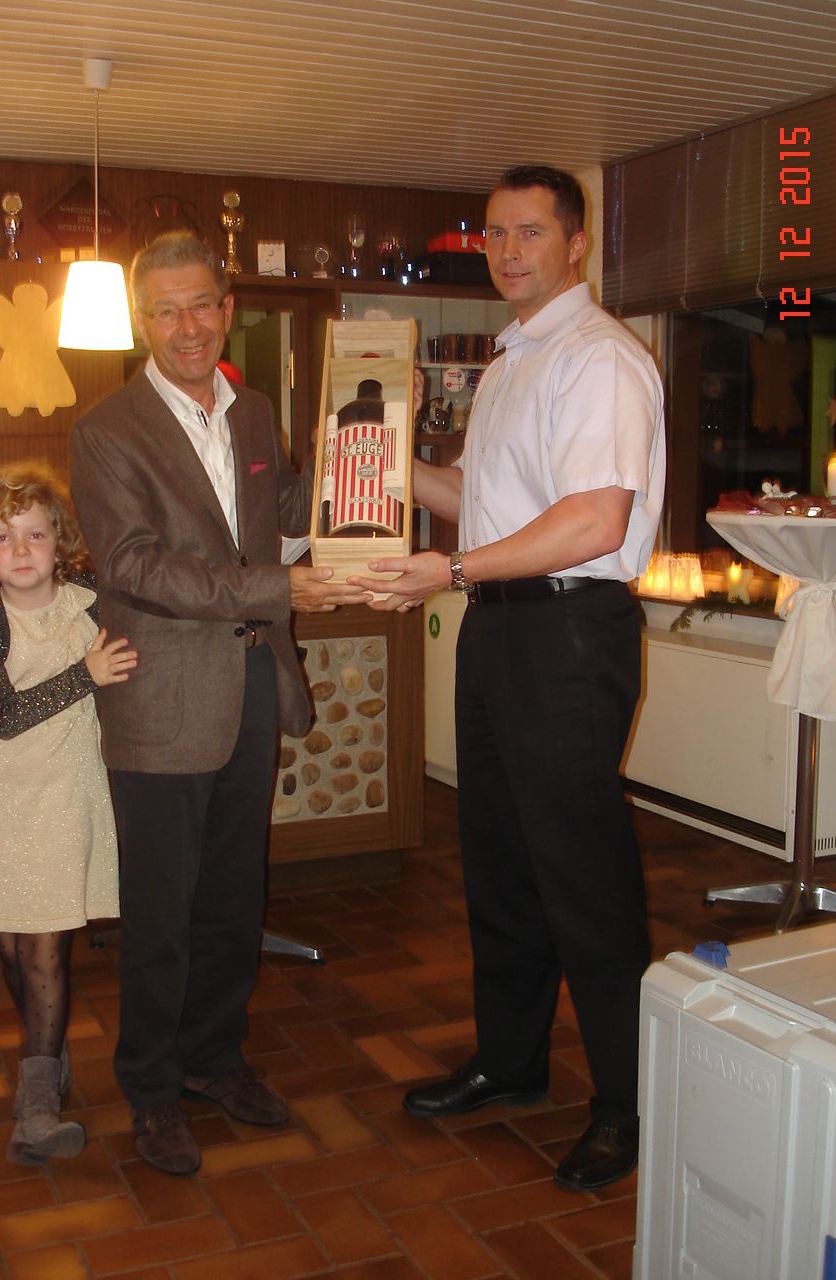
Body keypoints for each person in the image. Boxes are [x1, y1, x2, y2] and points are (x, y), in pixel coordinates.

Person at [349, 165, 666, 1191]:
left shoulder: (600, 359)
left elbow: (594, 523)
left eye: (531, 231)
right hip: (499, 628)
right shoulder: (512, 359)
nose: (509, 250)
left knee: (583, 874)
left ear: (577, 243)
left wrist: (451, 571)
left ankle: (626, 1105)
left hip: (566, 632)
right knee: (499, 861)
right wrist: (375, 462)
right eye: (494, 233)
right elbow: (482, 505)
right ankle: (512, 1059)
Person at [70, 231, 366, 1176]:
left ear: (228, 309)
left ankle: (213, 1059)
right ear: (142, 323)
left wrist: (357, 474)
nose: (188, 326)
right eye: (166, 311)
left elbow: (282, 519)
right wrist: (277, 588)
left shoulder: (255, 412)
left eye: (202, 304)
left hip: (250, 685)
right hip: (159, 699)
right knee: (162, 911)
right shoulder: (107, 430)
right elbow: (134, 567)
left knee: (235, 895)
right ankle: (153, 1091)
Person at [0, 461, 135, 1165]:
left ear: (60, 540)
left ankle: (36, 1107)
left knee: (46, 944)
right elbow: (2, 714)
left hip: (66, 787)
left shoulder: (94, 601)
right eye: (3, 537)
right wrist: (86, 674)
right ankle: (45, 1057)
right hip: (3, 789)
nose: (20, 550)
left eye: (34, 534)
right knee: (11, 942)